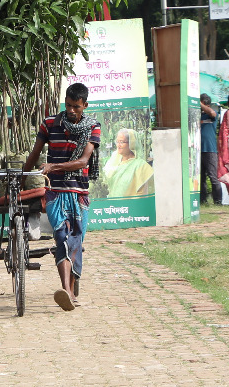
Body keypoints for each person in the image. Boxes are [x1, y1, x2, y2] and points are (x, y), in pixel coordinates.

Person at [23, 82, 101, 312]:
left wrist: (52, 167)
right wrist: (22, 177)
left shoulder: (93, 127)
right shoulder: (49, 123)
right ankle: (66, 291)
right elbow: (35, 154)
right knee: (61, 236)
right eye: (67, 105)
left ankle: (70, 288)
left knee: (75, 239)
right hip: (55, 191)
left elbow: (83, 161)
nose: (71, 110)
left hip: (79, 192)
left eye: (76, 107)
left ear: (84, 105)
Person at [104, 128, 153, 198]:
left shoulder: (141, 165)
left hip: (130, 206)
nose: (118, 145)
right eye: (117, 142)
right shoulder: (113, 161)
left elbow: (142, 195)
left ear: (131, 143)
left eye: (121, 142)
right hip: (112, 206)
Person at [198, 94, 223, 207]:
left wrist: (200, 104)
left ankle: (218, 202)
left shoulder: (213, 114)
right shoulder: (197, 116)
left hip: (210, 150)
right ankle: (203, 201)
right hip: (198, 150)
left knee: (213, 177)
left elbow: (212, 113)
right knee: (201, 177)